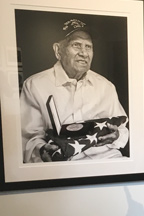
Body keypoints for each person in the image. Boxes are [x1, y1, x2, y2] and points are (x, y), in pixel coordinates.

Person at [20, 18, 129, 162]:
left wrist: (116, 136)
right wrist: (41, 149)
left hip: (106, 159)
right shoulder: (35, 85)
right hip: (62, 165)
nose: (84, 53)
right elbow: (27, 138)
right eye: (76, 45)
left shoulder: (106, 86)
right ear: (58, 50)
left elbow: (122, 129)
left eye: (88, 46)